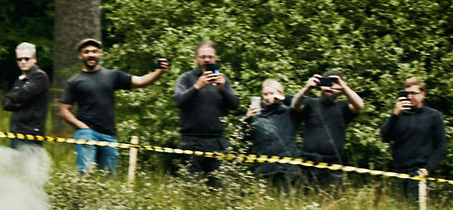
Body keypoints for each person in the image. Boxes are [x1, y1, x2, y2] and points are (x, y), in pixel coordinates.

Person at [59, 38, 169, 174]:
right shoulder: (74, 81)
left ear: (100, 54)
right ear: (80, 56)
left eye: (94, 51)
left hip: (109, 135)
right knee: (86, 175)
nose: (91, 55)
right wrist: (81, 126)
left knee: (108, 178)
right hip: (86, 133)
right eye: (86, 52)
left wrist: (159, 72)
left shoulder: (112, 75)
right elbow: (64, 110)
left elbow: (140, 81)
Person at [173, 41, 240, 183]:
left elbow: (235, 105)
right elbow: (178, 101)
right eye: (203, 56)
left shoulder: (222, 80)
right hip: (191, 141)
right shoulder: (186, 78)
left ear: (215, 59)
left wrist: (222, 90)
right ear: (196, 58)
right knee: (191, 187)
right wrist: (197, 87)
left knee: (219, 188)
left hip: (216, 142)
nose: (207, 60)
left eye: (210, 57)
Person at [290, 70, 364, 190]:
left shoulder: (344, 107)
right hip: (307, 163)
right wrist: (307, 88)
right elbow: (295, 105)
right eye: (327, 83)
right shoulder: (310, 103)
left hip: (332, 166)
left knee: (331, 203)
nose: (329, 88)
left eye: (334, 84)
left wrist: (344, 87)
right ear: (320, 85)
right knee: (300, 201)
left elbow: (359, 105)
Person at [379, 77, 447, 201]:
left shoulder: (433, 116)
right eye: (407, 93)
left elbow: (441, 146)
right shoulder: (399, 115)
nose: (410, 97)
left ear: (423, 94)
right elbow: (385, 137)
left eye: (414, 93)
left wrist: (428, 168)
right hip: (399, 172)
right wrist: (395, 114)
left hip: (420, 173)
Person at [243, 79, 299, 193]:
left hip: (287, 169)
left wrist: (283, 99)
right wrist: (246, 119)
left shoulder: (290, 113)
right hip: (264, 169)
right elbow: (241, 138)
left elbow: (303, 102)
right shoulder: (257, 115)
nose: (268, 97)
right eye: (265, 94)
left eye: (272, 93)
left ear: (280, 94)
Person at [2, 42, 49, 150]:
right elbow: (5, 104)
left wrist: (15, 98)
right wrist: (17, 101)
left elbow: (23, 96)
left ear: (34, 59)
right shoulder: (20, 79)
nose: (23, 62)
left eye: (26, 59)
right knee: (16, 166)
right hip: (16, 130)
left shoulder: (39, 76)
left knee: (30, 166)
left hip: (32, 131)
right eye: (19, 59)